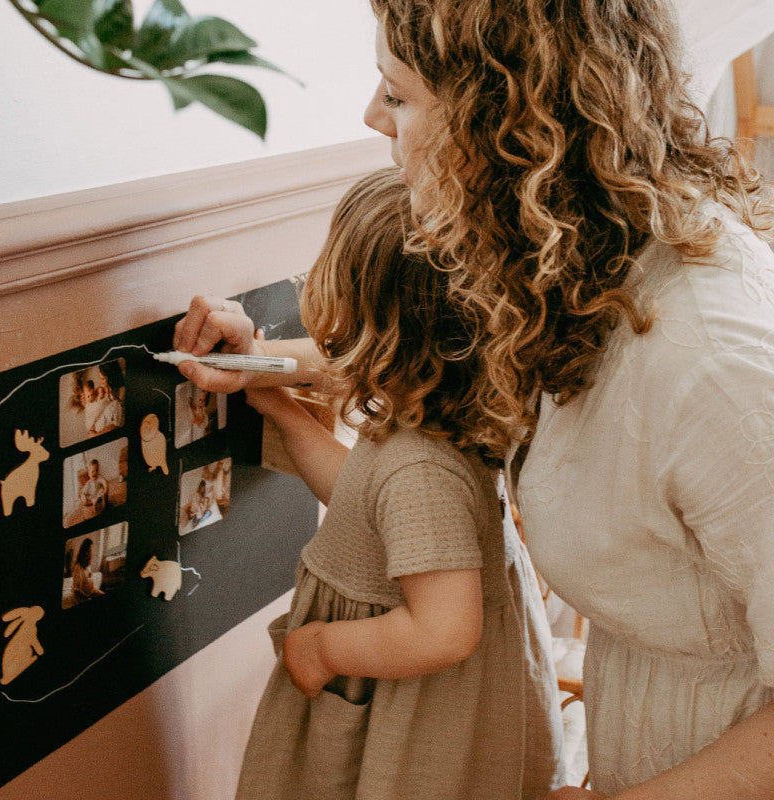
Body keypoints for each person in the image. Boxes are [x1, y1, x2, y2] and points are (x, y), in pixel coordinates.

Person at [172, 1, 774, 798]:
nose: (370, 116)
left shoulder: (716, 372)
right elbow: (450, 361)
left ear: (505, 126)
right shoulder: (596, 261)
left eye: (398, 96)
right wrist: (262, 365)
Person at [235, 168, 564, 799]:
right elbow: (362, 508)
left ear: (368, 324)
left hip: (407, 724)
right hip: (403, 699)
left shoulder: (420, 465)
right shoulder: (430, 421)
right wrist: (281, 410)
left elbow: (444, 629)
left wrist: (322, 649)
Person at [71, 537, 105, 603]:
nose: (88, 553)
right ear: (82, 551)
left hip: (91, 591)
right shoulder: (78, 568)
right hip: (83, 596)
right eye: (86, 551)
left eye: (90, 551)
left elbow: (88, 576)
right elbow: (76, 591)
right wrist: (89, 596)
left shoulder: (87, 563)